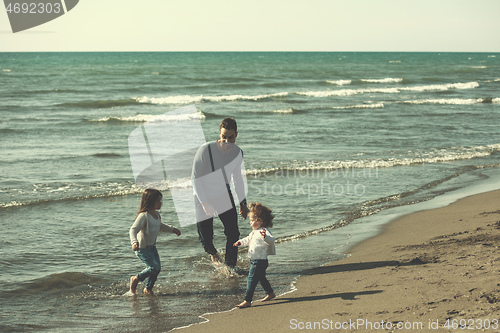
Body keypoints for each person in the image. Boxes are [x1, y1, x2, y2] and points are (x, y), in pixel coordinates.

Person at [191, 117, 249, 267]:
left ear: (236, 134)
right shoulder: (205, 150)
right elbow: (195, 179)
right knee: (205, 236)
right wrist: (204, 203)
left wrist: (243, 203)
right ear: (219, 134)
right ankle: (212, 253)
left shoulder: (237, 153)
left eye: (231, 137)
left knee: (233, 233)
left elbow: (237, 179)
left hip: (224, 194)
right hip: (203, 194)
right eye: (223, 137)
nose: (227, 141)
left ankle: (230, 266)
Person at [129, 188, 181, 295]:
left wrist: (172, 229)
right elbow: (133, 229)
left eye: (160, 200)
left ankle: (148, 289)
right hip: (142, 249)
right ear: (150, 201)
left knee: (157, 269)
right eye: (158, 201)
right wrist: (134, 242)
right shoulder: (144, 216)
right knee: (154, 267)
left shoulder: (156, 215)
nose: (160, 203)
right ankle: (136, 279)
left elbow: (160, 226)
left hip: (152, 247)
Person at [233, 202, 276, 308]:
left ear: (260, 221)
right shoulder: (254, 232)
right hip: (255, 260)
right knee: (261, 278)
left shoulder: (264, 231)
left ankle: (247, 300)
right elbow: (248, 240)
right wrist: (240, 242)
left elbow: (271, 241)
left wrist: (265, 237)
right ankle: (270, 293)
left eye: (252, 221)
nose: (250, 223)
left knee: (251, 279)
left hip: (260, 261)